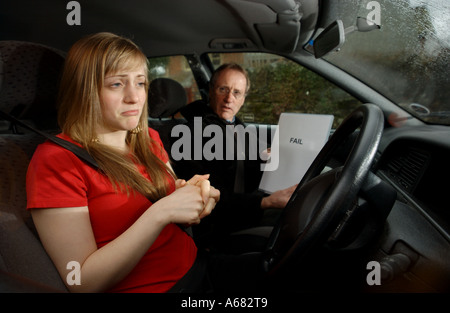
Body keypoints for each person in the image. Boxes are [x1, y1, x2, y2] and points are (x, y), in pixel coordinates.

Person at [26, 32, 262, 293]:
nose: (135, 97)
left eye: (140, 83)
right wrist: (161, 212)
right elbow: (81, 282)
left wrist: (194, 197)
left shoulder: (148, 138)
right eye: (116, 84)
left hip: (199, 265)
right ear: (85, 89)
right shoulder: (56, 160)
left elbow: (175, 209)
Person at [171, 63, 297, 251]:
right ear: (211, 92)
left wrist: (264, 155)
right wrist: (265, 202)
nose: (229, 98)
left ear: (243, 99)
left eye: (237, 92)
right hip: (217, 230)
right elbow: (208, 198)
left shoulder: (236, 127)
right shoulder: (192, 133)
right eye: (223, 89)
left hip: (245, 211)